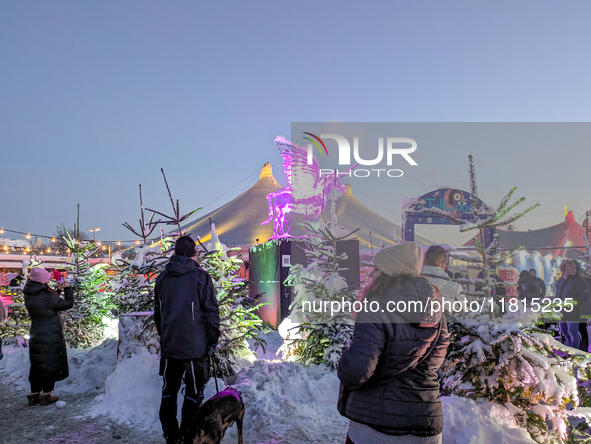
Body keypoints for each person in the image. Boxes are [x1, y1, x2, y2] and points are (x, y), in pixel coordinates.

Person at [338, 242, 450, 444]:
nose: (371, 274)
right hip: (426, 424)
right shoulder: (436, 309)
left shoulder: (374, 308)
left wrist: (344, 360)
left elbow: (357, 371)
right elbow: (437, 362)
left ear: (390, 273)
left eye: (377, 269)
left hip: (376, 427)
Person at [155, 235, 221, 444]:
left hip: (170, 347)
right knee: (193, 391)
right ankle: (187, 434)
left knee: (169, 391)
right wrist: (213, 339)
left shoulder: (162, 278)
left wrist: (165, 334)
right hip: (194, 349)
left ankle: (170, 434)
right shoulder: (200, 277)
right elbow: (211, 312)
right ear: (193, 254)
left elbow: (158, 312)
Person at [23, 267, 73, 406]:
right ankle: (46, 395)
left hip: (36, 334)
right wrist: (67, 289)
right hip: (50, 334)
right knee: (49, 364)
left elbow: (47, 304)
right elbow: (67, 304)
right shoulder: (47, 296)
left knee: (37, 364)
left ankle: (34, 395)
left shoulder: (30, 293)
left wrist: (58, 291)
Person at [421, 245, 466, 315]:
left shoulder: (410, 283)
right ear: (443, 264)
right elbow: (465, 314)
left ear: (424, 262)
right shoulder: (455, 288)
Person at [557, 260, 589, 351]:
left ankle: (575, 352)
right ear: (564, 268)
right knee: (564, 331)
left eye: (573, 267)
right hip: (562, 310)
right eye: (568, 266)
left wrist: (573, 303)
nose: (571, 269)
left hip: (573, 310)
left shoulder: (578, 280)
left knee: (573, 332)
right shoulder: (563, 280)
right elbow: (558, 293)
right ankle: (569, 349)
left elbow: (584, 297)